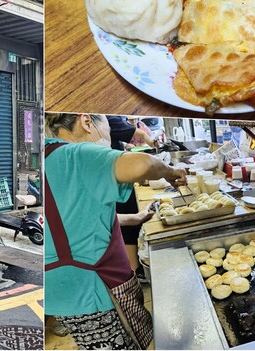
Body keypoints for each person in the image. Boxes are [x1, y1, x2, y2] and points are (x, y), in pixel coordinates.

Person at [44, 113, 186, 350]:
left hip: (60, 289)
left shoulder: (46, 156)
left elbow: (75, 217)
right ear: (86, 122)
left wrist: (136, 218)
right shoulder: (78, 154)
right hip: (93, 288)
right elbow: (143, 164)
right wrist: (171, 173)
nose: (108, 138)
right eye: (108, 128)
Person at [107, 116, 158, 281]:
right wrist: (149, 140)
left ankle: (133, 271)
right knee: (128, 226)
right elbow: (137, 134)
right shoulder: (107, 119)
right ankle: (134, 272)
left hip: (113, 180)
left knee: (127, 222)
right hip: (114, 181)